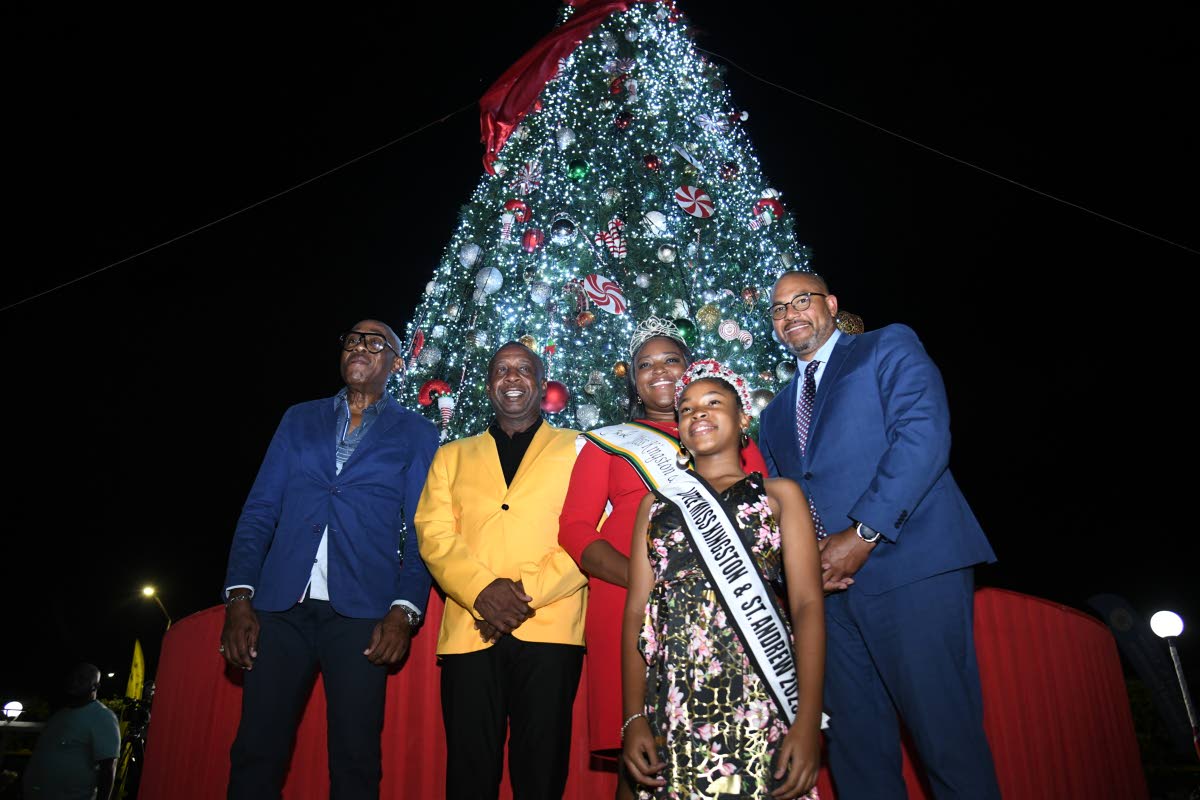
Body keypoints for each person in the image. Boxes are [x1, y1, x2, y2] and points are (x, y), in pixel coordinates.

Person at [757, 271, 1000, 799]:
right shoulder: (774, 414)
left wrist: (863, 532)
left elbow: (924, 434)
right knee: (857, 755)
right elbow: (783, 508)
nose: (791, 314)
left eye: (803, 300)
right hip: (831, 599)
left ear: (831, 304)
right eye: (779, 309)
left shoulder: (885, 346)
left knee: (946, 739)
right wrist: (797, 570)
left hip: (909, 567)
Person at [220, 319, 438, 799]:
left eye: (375, 341)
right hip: (279, 610)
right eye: (353, 339)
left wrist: (404, 610)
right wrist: (239, 597)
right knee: (256, 751)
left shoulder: (417, 433)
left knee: (355, 759)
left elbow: (425, 530)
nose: (360, 346)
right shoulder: (299, 418)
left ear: (396, 364)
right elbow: (259, 510)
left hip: (362, 616)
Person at [558, 317, 770, 797]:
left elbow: (766, 522)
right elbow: (573, 529)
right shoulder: (608, 444)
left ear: (690, 367)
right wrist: (641, 578)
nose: (658, 371)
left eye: (670, 360)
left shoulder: (734, 436)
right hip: (628, 602)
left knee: (727, 741)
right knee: (641, 757)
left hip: (724, 605)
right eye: (645, 364)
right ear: (633, 378)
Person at [621, 359, 825, 799]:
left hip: (761, 694)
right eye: (688, 408)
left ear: (742, 417)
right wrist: (633, 716)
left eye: (714, 403)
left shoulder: (779, 495)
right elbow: (637, 611)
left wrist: (808, 719)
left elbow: (808, 604)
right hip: (674, 697)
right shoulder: (654, 506)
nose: (699, 413)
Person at [415, 341, 588, 800]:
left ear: (542, 380)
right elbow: (433, 535)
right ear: (490, 384)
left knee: (542, 772)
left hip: (550, 629)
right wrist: (481, 592)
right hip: (471, 629)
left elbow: (590, 533)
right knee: (470, 772)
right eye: (501, 370)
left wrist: (521, 596)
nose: (512, 378)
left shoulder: (580, 449)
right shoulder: (451, 455)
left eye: (523, 369)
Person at [23, 663, 121, 800]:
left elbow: (108, 767)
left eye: (82, 679)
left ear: (95, 686)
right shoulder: (59, 715)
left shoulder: (102, 716)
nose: (75, 682)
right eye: (73, 677)